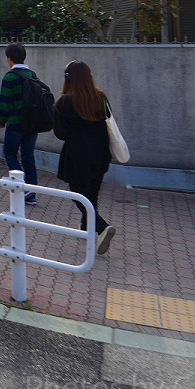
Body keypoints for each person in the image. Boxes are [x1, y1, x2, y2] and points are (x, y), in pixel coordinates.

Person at [54, 60, 117, 255]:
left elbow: (61, 133)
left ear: (68, 78)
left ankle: (101, 227)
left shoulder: (64, 103)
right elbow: (108, 121)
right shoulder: (100, 98)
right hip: (100, 154)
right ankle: (89, 231)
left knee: (79, 195)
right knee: (92, 193)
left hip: (77, 156)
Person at [0, 42, 39, 205]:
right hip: (32, 123)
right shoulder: (32, 74)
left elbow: (5, 103)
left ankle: (23, 188)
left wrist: (1, 122)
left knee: (10, 153)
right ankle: (32, 193)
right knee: (28, 156)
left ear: (9, 59)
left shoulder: (9, 77)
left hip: (15, 123)